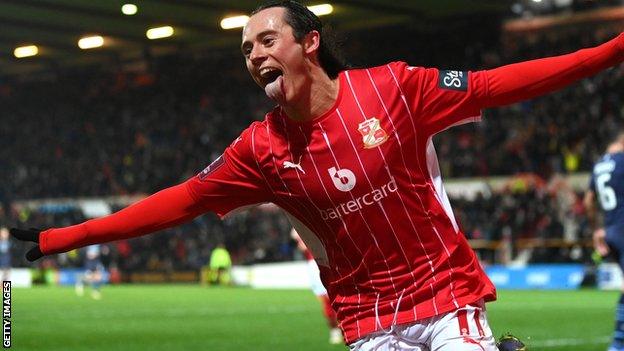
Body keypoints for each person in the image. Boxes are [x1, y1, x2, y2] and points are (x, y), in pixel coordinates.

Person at [10, 1, 624, 349]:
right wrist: (58, 239)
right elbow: (178, 202)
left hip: (445, 301)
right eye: (246, 50)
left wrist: (612, 50)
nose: (254, 55)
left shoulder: (394, 89)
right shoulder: (259, 150)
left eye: (266, 40)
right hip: (366, 324)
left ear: (310, 43)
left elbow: (503, 84)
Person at [584, 131, 624, 351]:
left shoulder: (599, 165)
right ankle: (618, 343)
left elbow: (589, 201)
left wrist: (597, 229)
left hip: (610, 231)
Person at [291, 227, 343, 344]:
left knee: (334, 297)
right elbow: (302, 246)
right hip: (315, 264)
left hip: (324, 261)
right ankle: (335, 330)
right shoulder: (298, 227)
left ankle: (339, 329)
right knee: (326, 299)